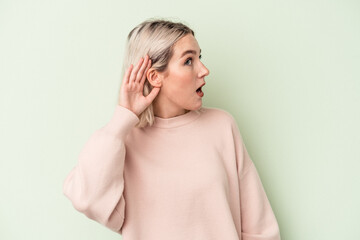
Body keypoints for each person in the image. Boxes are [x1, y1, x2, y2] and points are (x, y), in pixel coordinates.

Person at [63, 18, 281, 240]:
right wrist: (122, 118)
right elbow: (87, 199)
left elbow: (260, 228)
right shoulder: (121, 142)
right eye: (188, 61)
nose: (204, 70)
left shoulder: (222, 126)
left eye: (200, 58)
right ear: (155, 76)